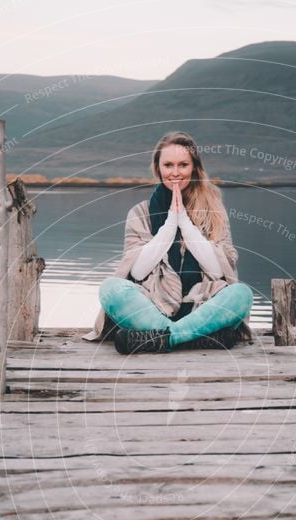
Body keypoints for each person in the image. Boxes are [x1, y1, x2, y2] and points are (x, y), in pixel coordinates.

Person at [85, 131, 254, 354]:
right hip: (153, 305)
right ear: (158, 168)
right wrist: (170, 223)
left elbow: (217, 271)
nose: (175, 172)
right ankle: (196, 337)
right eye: (168, 165)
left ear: (194, 167)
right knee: (110, 289)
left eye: (183, 165)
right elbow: (137, 272)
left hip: (202, 303)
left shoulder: (214, 211)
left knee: (241, 294)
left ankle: (160, 339)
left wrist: (184, 221)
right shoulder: (139, 213)